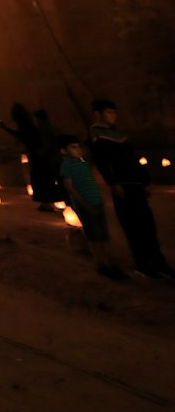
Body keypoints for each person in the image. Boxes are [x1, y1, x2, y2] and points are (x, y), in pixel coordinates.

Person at [89, 99, 174, 280]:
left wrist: (146, 180)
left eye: (114, 112)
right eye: (108, 112)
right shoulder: (96, 136)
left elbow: (133, 159)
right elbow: (102, 163)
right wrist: (113, 183)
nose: (112, 116)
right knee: (132, 226)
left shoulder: (119, 135)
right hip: (122, 186)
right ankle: (142, 264)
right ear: (98, 114)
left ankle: (159, 262)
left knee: (148, 225)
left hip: (136, 184)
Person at [58, 135, 127, 280]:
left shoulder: (83, 163)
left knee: (102, 233)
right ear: (64, 151)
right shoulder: (67, 165)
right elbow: (69, 187)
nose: (78, 150)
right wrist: (85, 204)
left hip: (96, 202)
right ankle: (100, 263)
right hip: (85, 205)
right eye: (73, 147)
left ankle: (108, 262)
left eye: (78, 147)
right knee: (93, 235)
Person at [0, 102, 59, 210]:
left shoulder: (30, 126)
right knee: (42, 180)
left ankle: (47, 203)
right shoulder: (31, 125)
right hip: (38, 156)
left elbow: (26, 138)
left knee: (41, 180)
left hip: (39, 157)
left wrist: (40, 152)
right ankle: (47, 203)